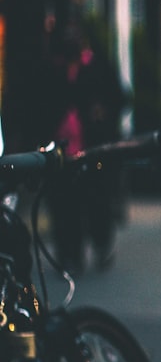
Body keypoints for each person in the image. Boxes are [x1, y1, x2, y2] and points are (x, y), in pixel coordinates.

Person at [47, 30, 126, 271]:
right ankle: (70, 254)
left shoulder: (97, 66)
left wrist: (103, 112)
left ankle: (100, 245)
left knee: (95, 199)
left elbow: (119, 98)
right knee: (64, 203)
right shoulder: (54, 69)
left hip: (91, 146)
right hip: (61, 148)